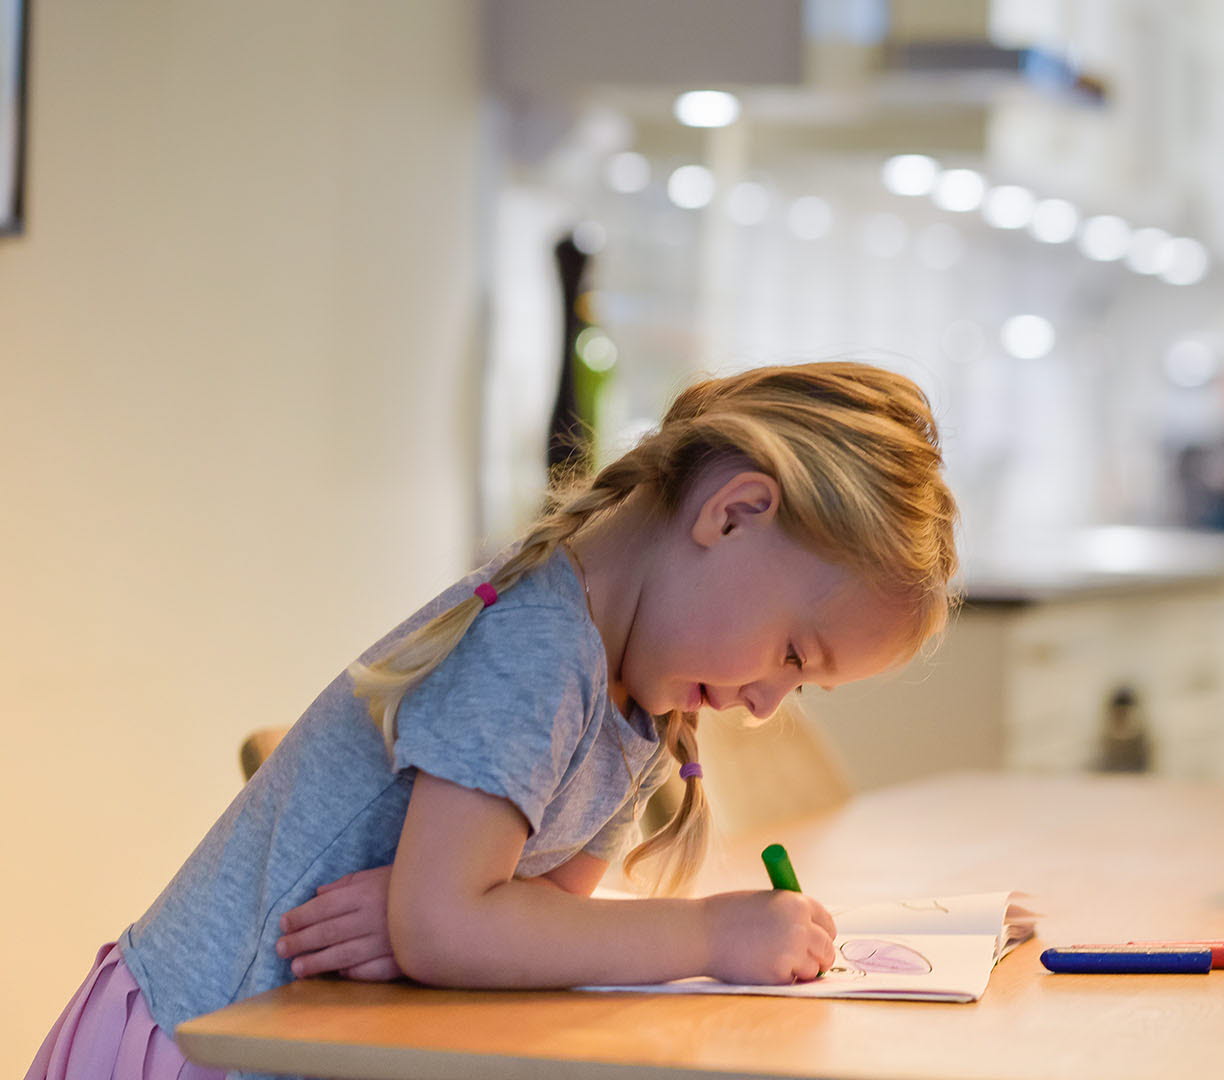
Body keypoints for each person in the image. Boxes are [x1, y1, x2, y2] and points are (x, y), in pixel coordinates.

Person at [29, 361, 960, 1080]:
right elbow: (453, 928)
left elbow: (538, 917)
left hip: (304, 1042)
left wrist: (436, 921)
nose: (767, 705)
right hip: (198, 1047)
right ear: (735, 514)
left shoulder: (642, 703)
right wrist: (713, 932)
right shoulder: (538, 649)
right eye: (796, 656)